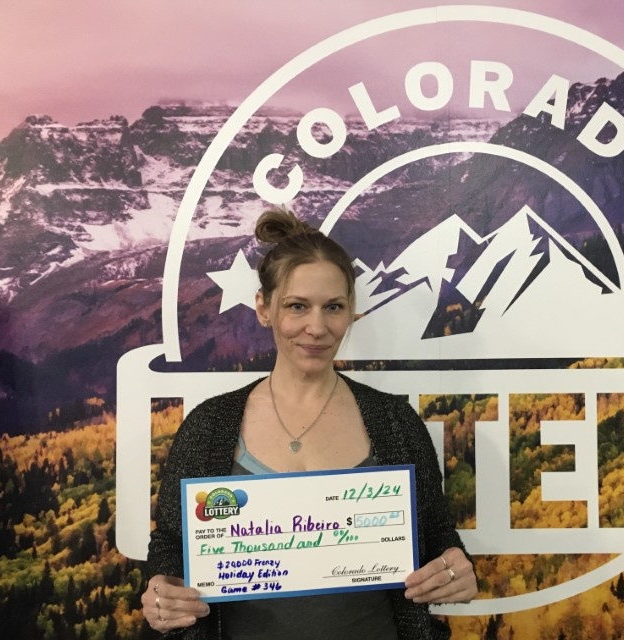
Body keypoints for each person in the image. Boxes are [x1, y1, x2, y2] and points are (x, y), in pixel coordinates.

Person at [141, 209, 477, 639]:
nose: (316, 328)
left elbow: (436, 535)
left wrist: (457, 571)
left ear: (352, 312)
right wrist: (161, 589)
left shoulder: (395, 422)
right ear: (264, 308)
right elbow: (171, 540)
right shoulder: (210, 425)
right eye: (297, 306)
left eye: (333, 307)